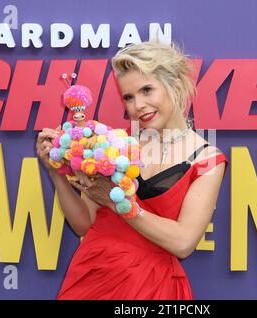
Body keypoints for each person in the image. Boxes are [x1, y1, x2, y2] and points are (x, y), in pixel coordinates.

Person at [35, 41, 228, 300]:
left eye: (147, 90)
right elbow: (83, 224)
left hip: (151, 287)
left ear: (176, 85)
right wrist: (55, 173)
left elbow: (183, 243)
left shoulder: (207, 159)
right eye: (129, 97)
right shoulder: (112, 144)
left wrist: (120, 206)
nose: (138, 105)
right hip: (91, 276)